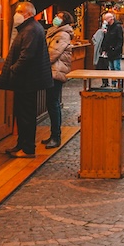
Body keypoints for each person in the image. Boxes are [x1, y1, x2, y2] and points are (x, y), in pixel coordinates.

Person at [0, 1, 53, 157]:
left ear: (28, 13)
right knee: (22, 114)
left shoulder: (31, 29)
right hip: (27, 79)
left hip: (27, 80)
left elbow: (27, 55)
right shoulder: (30, 28)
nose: (16, 14)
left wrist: (14, 69)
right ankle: (21, 144)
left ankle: (28, 148)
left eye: (19, 11)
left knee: (26, 115)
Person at [44, 10, 75, 148]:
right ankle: (53, 134)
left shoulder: (62, 34)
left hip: (56, 71)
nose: (56, 18)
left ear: (64, 21)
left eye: (59, 17)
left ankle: (56, 136)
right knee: (52, 103)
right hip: (53, 71)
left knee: (53, 103)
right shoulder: (56, 32)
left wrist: (41, 62)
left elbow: (52, 53)